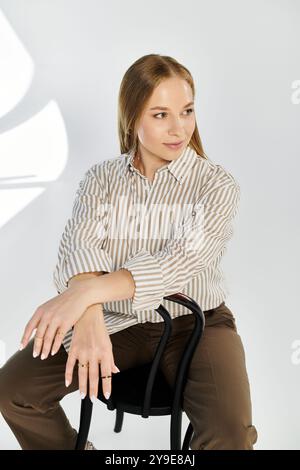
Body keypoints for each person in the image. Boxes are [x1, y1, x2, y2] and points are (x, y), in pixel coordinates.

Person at [0, 53, 258, 450]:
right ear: (132, 116)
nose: (179, 128)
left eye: (187, 111)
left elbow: (179, 262)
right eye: (160, 114)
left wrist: (84, 293)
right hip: (116, 320)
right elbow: (80, 248)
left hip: (197, 323)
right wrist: (87, 314)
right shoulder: (101, 179)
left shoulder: (217, 185)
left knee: (230, 434)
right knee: (13, 390)